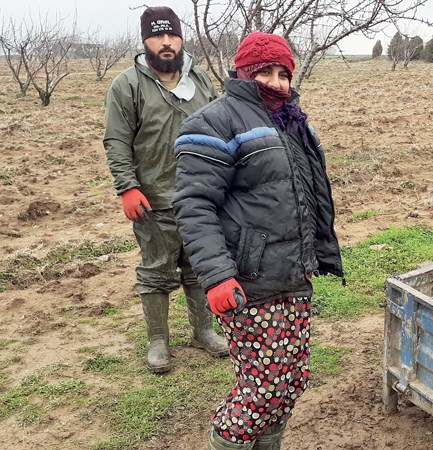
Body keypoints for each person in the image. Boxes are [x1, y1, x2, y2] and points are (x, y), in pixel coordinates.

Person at [172, 32, 344, 450]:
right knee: (264, 388)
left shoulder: (293, 122)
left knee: (292, 381)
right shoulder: (213, 122)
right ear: (244, 73)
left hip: (293, 274)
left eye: (284, 73)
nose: (278, 82)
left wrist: (316, 252)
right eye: (265, 72)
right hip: (247, 281)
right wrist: (215, 277)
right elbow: (194, 206)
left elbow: (309, 196)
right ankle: (224, 442)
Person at [103, 6, 226, 374]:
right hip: (153, 199)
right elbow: (117, 140)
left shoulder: (201, 81)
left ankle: (203, 330)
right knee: (156, 271)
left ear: (181, 38)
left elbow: (220, 131)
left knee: (199, 266)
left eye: (172, 35)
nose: (167, 42)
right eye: (158, 36)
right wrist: (127, 186)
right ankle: (158, 340)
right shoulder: (127, 85)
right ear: (145, 41)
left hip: (202, 196)